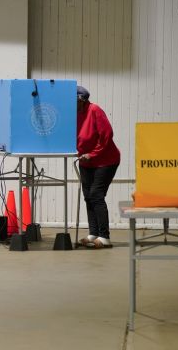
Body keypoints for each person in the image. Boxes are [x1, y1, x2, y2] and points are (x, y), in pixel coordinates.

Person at [76, 86, 120, 249]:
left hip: (105, 160)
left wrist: (92, 154)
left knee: (96, 195)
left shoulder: (94, 110)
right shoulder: (74, 114)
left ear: (81, 100)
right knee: (87, 195)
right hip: (86, 161)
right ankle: (93, 233)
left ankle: (105, 237)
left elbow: (106, 135)